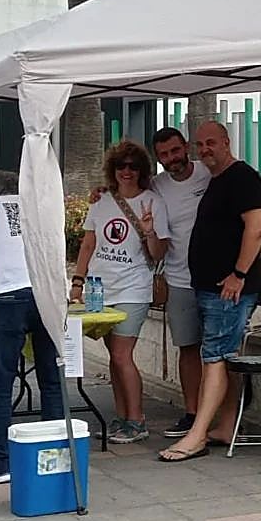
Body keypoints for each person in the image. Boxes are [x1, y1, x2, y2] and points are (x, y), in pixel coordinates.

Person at [159, 121, 261, 463]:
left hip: (228, 289)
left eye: (211, 143)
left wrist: (238, 274)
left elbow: (257, 227)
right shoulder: (215, 179)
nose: (205, 149)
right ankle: (226, 425)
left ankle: (197, 436)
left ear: (226, 142)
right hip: (206, 287)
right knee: (222, 357)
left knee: (214, 357)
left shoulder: (242, 177)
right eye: (200, 145)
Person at [70, 140, 168, 444]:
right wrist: (77, 282)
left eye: (133, 166)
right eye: (120, 166)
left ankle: (137, 420)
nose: (127, 171)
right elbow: (88, 244)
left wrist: (148, 229)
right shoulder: (101, 201)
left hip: (133, 289)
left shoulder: (153, 202)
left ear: (142, 170)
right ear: (112, 170)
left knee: (123, 355)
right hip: (101, 290)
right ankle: (122, 417)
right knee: (115, 356)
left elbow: (159, 251)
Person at [0, 170, 63, 484]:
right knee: (51, 379)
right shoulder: (36, 205)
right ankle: (53, 455)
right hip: (44, 294)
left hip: (7, 297)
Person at [148, 127, 211, 438]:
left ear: (186, 147)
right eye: (164, 155)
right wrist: (101, 193)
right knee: (188, 348)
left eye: (175, 151)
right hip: (179, 279)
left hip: (216, 280)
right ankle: (192, 412)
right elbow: (126, 194)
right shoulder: (156, 186)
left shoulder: (208, 172)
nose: (171, 159)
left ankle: (221, 413)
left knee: (218, 350)